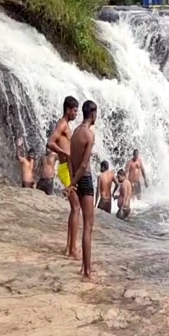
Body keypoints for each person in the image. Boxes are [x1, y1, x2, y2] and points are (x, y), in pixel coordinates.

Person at [67, 100, 97, 280]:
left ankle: (83, 267)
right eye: (96, 114)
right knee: (88, 226)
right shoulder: (89, 135)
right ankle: (87, 271)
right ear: (92, 114)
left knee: (85, 225)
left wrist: (71, 181)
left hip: (77, 179)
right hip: (84, 179)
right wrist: (74, 182)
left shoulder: (76, 132)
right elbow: (85, 163)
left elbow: (71, 159)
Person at [48, 96, 79, 193]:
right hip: (65, 167)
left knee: (75, 203)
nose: (76, 114)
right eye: (74, 111)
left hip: (68, 167)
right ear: (68, 110)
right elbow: (50, 143)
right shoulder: (62, 124)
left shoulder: (66, 124)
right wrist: (64, 153)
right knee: (75, 204)